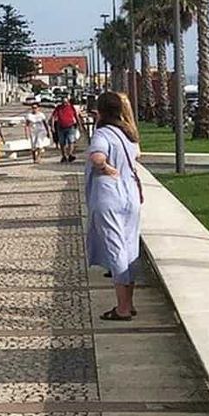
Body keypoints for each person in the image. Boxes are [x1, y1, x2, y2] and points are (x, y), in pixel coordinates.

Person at [85, 91, 143, 321]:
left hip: (110, 196)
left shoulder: (103, 133)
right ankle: (130, 302)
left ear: (100, 111)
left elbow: (97, 157)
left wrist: (106, 168)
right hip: (130, 196)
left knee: (116, 249)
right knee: (130, 248)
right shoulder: (128, 133)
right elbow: (138, 155)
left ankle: (122, 308)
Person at [51, 95, 81, 164]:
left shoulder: (71, 107)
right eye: (64, 102)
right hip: (61, 127)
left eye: (66, 102)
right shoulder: (58, 108)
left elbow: (76, 116)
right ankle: (64, 156)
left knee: (71, 141)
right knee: (62, 142)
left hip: (70, 126)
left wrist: (79, 125)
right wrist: (52, 126)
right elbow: (53, 117)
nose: (65, 103)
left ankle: (70, 154)